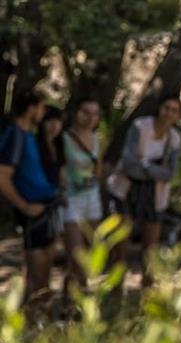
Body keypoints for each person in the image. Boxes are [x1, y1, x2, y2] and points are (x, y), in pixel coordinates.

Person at [107, 95, 181, 288]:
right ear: (159, 108)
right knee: (120, 248)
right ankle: (116, 295)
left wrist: (145, 165)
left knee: (151, 251)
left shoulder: (174, 138)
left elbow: (169, 174)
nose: (169, 114)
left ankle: (147, 295)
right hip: (125, 191)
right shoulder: (140, 128)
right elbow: (128, 164)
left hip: (155, 196)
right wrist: (153, 170)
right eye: (167, 107)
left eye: (174, 110)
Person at [0, 90, 63, 310]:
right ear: (31, 108)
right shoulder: (15, 135)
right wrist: (24, 206)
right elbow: (3, 176)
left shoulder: (29, 135)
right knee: (36, 272)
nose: (43, 113)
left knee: (45, 270)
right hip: (32, 211)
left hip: (48, 206)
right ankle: (33, 323)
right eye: (41, 108)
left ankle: (39, 320)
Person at [62, 97, 104, 297]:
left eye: (94, 114)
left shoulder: (96, 138)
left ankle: (76, 301)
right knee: (76, 253)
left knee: (89, 254)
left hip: (92, 198)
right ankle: (73, 302)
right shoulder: (64, 138)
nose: (90, 118)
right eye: (85, 113)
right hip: (71, 199)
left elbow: (98, 168)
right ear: (76, 112)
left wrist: (94, 179)